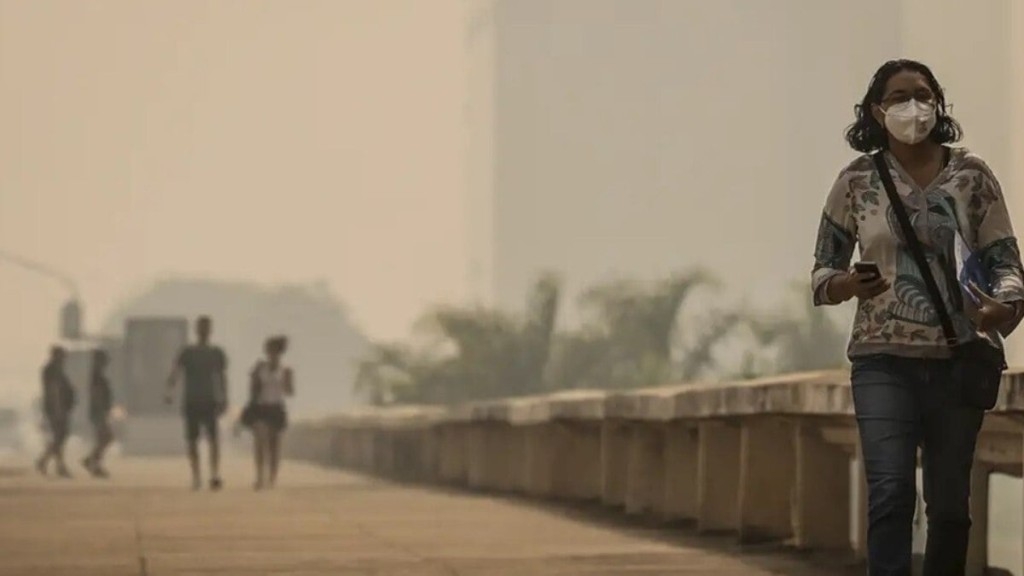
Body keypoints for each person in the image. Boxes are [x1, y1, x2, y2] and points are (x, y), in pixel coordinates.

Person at [812, 59, 1024, 575]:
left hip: (959, 362)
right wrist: (847, 284)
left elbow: (1007, 264)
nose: (914, 107)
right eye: (901, 96)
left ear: (939, 103)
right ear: (876, 110)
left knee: (951, 509)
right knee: (890, 493)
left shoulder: (972, 177)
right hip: (882, 360)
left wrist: (1002, 306)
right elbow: (822, 273)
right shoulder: (855, 181)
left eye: (924, 94)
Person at [165, 316, 228, 491]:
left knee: (213, 439)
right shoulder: (187, 352)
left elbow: (222, 377)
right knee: (192, 441)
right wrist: (169, 390)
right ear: (196, 330)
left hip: (210, 399)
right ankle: (196, 475)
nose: (203, 331)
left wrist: (224, 398)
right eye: (201, 327)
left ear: (210, 330)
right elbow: (175, 372)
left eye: (206, 328)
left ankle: (214, 474)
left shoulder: (216, 353)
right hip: (192, 399)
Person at [244, 336, 294, 490]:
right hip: (261, 408)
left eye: (275, 351)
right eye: (269, 351)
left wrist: (286, 382)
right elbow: (252, 389)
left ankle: (272, 477)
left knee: (274, 446)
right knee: (260, 442)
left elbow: (290, 392)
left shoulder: (286, 370)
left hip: (277, 408)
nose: (272, 354)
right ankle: (260, 476)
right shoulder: (260, 368)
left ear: (280, 352)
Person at [35, 346, 75, 478]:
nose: (64, 359)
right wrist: (58, 409)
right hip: (56, 409)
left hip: (58, 408)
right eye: (62, 356)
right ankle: (47, 462)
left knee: (60, 436)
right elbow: (54, 390)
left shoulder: (55, 370)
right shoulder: (52, 370)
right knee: (60, 436)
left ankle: (51, 463)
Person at [82, 349, 114, 478]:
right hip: (98, 412)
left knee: (104, 438)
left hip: (99, 412)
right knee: (106, 437)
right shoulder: (97, 377)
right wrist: (101, 411)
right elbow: (97, 395)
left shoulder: (97, 376)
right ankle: (92, 462)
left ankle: (93, 462)